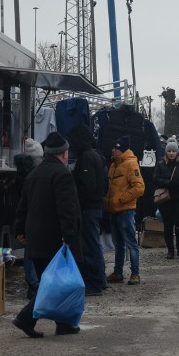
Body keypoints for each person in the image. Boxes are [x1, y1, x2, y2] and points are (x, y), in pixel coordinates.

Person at [12, 132, 82, 337]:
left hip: (36, 239)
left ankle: (64, 324)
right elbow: (66, 208)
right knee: (54, 284)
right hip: (55, 240)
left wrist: (19, 230)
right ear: (63, 153)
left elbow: (22, 206)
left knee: (51, 281)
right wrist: (69, 234)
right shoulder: (62, 174)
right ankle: (25, 319)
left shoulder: (34, 173)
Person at [68, 124, 106, 296]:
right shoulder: (95, 155)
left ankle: (95, 283)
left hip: (88, 208)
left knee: (90, 246)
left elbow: (87, 185)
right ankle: (99, 280)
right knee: (94, 245)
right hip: (95, 206)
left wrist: (78, 203)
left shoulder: (86, 157)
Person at [104, 136, 146, 285]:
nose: (113, 150)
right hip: (114, 210)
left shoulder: (130, 164)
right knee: (118, 244)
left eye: (116, 148)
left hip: (125, 210)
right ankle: (118, 272)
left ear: (121, 150)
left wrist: (122, 199)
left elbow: (139, 187)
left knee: (131, 243)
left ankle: (135, 274)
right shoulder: (114, 164)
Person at [14, 137, 44, 299]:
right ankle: (34, 284)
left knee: (29, 252)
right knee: (31, 253)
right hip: (31, 218)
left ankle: (33, 284)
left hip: (26, 217)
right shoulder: (31, 176)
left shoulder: (22, 174)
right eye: (39, 158)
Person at [153, 140, 179, 258]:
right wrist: (168, 183)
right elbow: (155, 178)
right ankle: (170, 249)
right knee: (168, 225)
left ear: (177, 152)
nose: (171, 153)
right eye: (169, 151)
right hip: (166, 199)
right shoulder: (160, 164)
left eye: (173, 151)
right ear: (166, 152)